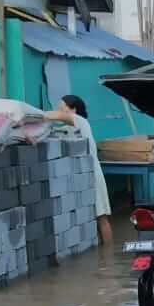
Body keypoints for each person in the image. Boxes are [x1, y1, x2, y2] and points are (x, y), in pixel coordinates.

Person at [43, 95, 112, 246]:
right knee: (90, 219)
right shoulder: (64, 129)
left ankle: (109, 252)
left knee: (101, 217)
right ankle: (103, 255)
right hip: (79, 179)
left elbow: (57, 116)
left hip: (93, 175)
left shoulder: (81, 122)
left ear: (73, 110)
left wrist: (30, 115)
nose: (58, 111)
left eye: (62, 108)